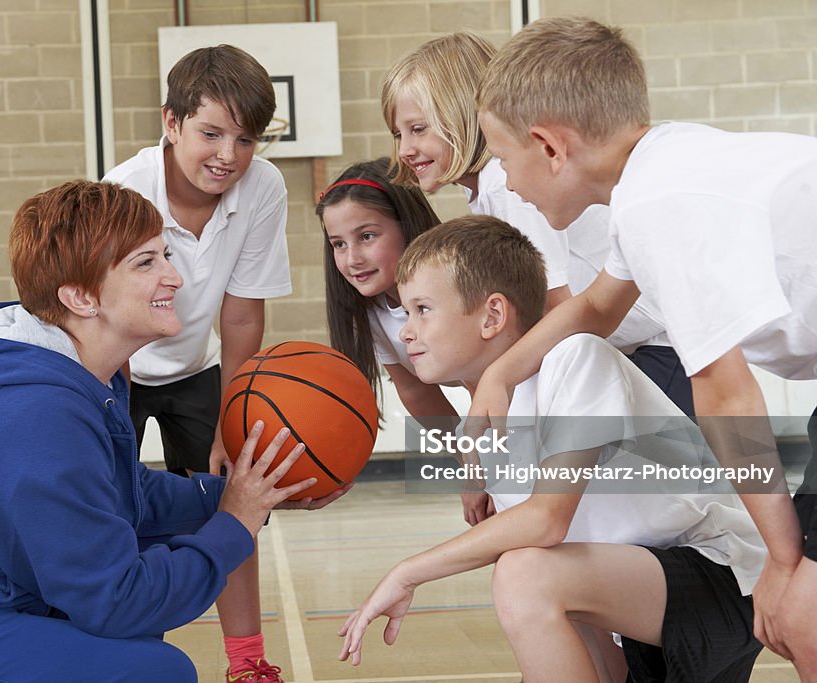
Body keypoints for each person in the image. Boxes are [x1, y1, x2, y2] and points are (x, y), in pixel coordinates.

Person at [0, 181, 342, 682]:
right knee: (149, 670)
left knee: (130, 637)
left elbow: (121, 497)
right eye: (146, 262)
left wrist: (251, 495)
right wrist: (234, 523)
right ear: (80, 297)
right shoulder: (30, 410)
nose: (174, 276)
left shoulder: (65, 377)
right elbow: (118, 599)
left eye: (167, 256)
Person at [470, 16, 817, 679]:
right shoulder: (660, 168)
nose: (506, 182)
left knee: (800, 609)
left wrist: (777, 558)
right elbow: (599, 306)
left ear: (549, 147)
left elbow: (724, 388)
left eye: (502, 157)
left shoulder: (660, 204)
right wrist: (504, 374)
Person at [338, 216, 767, 682]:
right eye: (405, 313)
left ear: (492, 316)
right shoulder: (487, 423)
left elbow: (546, 519)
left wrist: (407, 572)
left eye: (423, 309)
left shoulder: (575, 357)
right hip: (636, 604)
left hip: (722, 578)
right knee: (525, 564)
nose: (406, 332)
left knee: (525, 570)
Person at [102, 45, 293, 680]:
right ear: (171, 122)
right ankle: (124, 653)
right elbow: (108, 321)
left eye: (246, 140)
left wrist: (230, 421)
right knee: (114, 513)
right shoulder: (123, 191)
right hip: (114, 367)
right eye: (211, 133)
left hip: (202, 370)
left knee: (234, 501)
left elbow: (242, 315)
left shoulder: (262, 187)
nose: (228, 156)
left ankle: (247, 664)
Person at [381, 31, 695, 416]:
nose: (404, 150)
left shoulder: (506, 184)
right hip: (627, 348)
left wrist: (501, 381)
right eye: (398, 134)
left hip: (655, 353)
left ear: (461, 113)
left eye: (418, 129)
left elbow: (554, 305)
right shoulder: (488, 189)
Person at [318, 158, 492, 526]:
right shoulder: (372, 307)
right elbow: (417, 393)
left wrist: (483, 465)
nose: (352, 259)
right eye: (338, 244)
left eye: (367, 236)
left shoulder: (454, 284)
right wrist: (466, 460)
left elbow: (487, 382)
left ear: (406, 225)